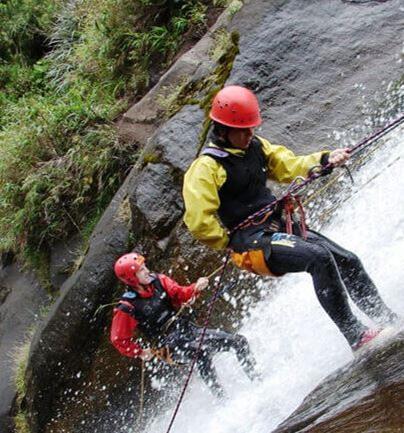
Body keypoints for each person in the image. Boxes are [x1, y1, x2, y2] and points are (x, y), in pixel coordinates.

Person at [182, 85, 397, 352]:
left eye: (252, 127)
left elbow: (289, 166)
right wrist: (228, 242)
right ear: (223, 131)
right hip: (253, 242)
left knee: (347, 260)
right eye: (244, 129)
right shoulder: (206, 168)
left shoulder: (257, 146)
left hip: (278, 226)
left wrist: (325, 159)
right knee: (319, 259)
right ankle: (356, 335)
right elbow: (198, 220)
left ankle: (389, 321)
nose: (250, 133)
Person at [110, 252, 260, 398]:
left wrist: (196, 288)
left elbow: (181, 293)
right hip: (166, 344)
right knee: (202, 353)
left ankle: (257, 380)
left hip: (187, 329)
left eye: (145, 266)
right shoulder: (127, 307)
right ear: (131, 279)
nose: (147, 271)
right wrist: (140, 352)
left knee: (239, 341)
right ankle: (222, 399)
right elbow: (118, 339)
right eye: (141, 270)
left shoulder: (159, 281)